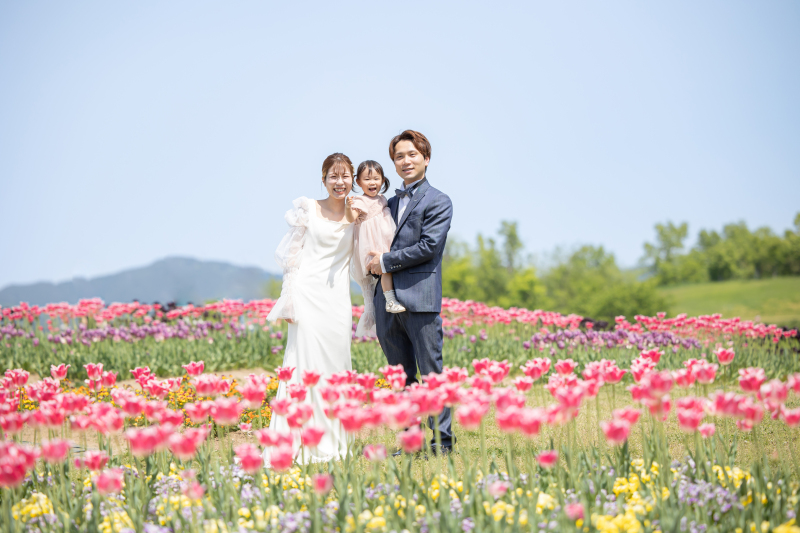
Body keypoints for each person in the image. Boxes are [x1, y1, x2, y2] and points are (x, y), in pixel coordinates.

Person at [366, 130, 456, 454]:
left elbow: (429, 247)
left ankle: (443, 443)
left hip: (420, 299)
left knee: (432, 373)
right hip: (385, 301)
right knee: (400, 376)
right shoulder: (386, 204)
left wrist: (385, 261)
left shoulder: (439, 200)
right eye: (399, 156)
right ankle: (411, 442)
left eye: (412, 155)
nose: (405, 161)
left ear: (426, 158)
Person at [264, 152, 355, 464]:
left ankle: (336, 441)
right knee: (304, 366)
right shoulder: (307, 209)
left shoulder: (359, 213)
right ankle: (300, 440)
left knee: (337, 366)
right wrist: (287, 299)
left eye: (345, 176)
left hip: (338, 301)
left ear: (352, 179)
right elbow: (290, 258)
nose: (339, 182)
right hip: (306, 296)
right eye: (333, 176)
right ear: (323, 178)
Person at [347, 160, 406, 338]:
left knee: (387, 271)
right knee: (384, 270)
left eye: (376, 178)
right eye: (367, 179)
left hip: (385, 241)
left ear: (382, 180)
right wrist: (349, 207)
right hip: (372, 244)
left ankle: (381, 305)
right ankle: (390, 300)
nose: (372, 183)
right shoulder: (360, 201)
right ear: (358, 182)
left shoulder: (382, 199)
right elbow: (352, 218)